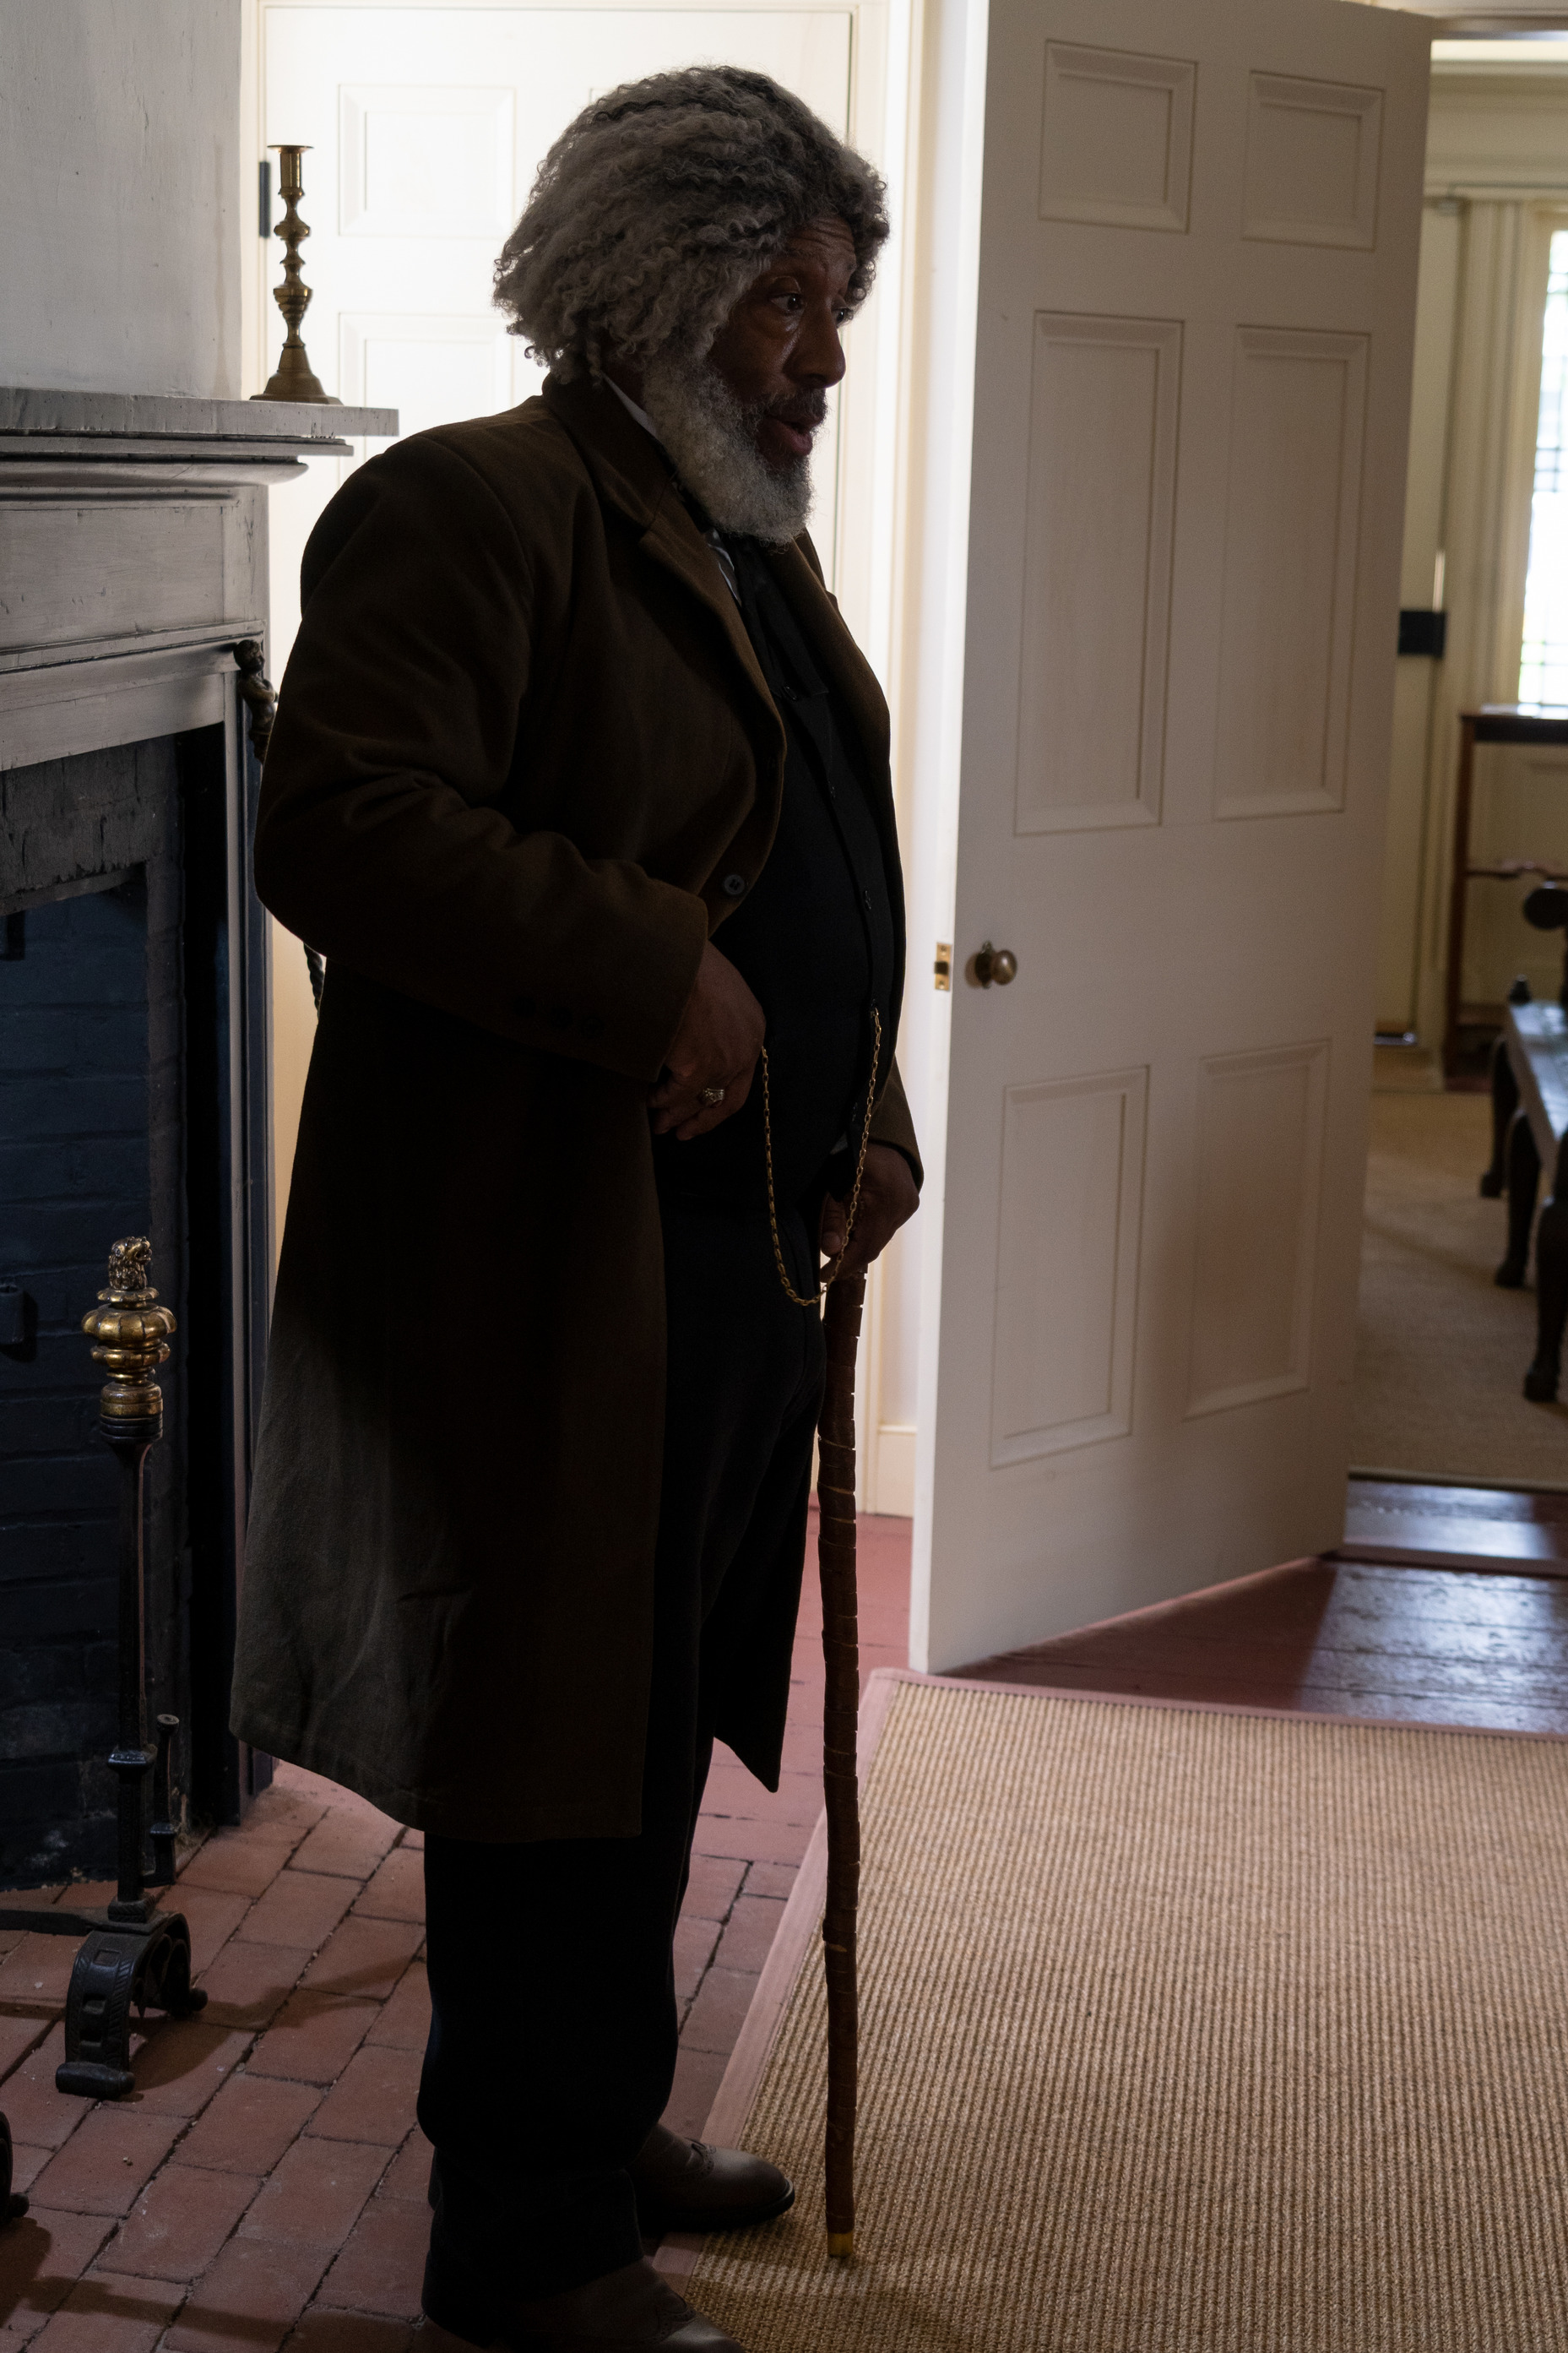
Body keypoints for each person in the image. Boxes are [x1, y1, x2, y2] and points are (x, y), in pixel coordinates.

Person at [231, 64, 920, 2353]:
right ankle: (520, 2246)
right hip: (550, 1265)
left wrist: (865, 1106)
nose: (822, 355)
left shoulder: (743, 535)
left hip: (720, 1252)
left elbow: (810, 858)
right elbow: (335, 823)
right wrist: (656, 966)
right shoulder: (471, 507)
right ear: (652, 284)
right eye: (784, 304)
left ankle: (591, 2118)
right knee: (548, 1753)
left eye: (834, 306)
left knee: (633, 1734)